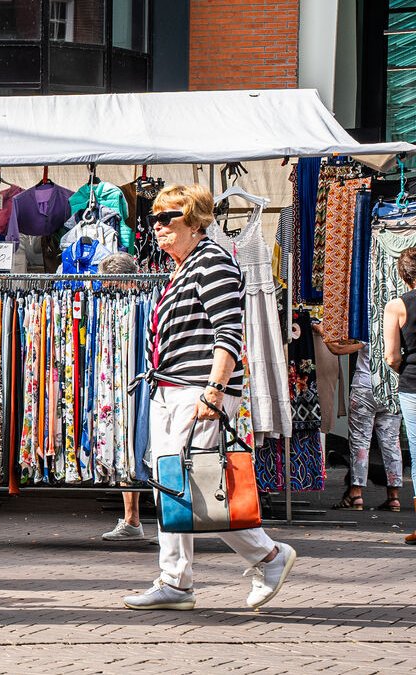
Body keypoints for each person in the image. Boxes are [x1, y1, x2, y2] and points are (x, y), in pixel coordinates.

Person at [122, 184, 296, 611]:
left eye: (168, 217)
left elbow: (228, 333)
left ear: (196, 220)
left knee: (200, 485)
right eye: (154, 219)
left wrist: (215, 390)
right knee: (172, 485)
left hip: (196, 389)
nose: (157, 226)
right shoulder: (183, 268)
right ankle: (175, 581)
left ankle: (268, 556)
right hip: (171, 388)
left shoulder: (212, 262)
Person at [95, 251, 151, 542]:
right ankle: (132, 519)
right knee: (126, 444)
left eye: (111, 285)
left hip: (143, 377)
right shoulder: (115, 304)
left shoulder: (148, 303)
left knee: (150, 446)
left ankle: (169, 523)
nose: (108, 291)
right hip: (121, 378)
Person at [325, 338, 402, 512]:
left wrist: (324, 335)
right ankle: (393, 497)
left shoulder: (366, 326)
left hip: (365, 387)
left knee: (360, 442)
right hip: (391, 388)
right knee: (392, 443)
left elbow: (338, 350)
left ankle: (356, 493)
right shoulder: (398, 326)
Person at [382, 247, 416, 542]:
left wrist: (402, 368)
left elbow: (391, 356)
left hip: (413, 384)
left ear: (404, 276)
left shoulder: (397, 306)